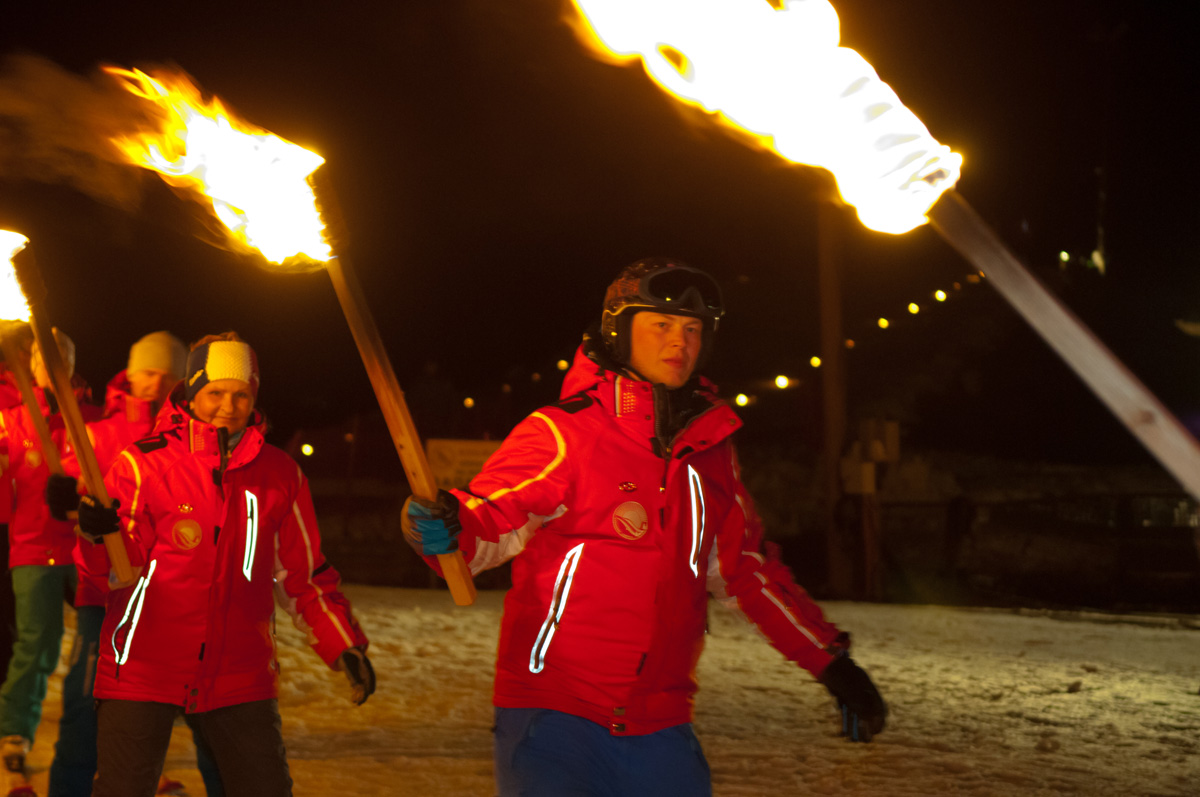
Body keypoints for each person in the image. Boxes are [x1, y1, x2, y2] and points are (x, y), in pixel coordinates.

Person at [404, 257, 887, 796]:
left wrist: (829, 662)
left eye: (692, 329)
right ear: (618, 330)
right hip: (554, 716)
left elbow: (748, 573)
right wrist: (446, 528)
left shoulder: (711, 451)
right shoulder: (564, 433)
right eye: (660, 324)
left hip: (661, 722)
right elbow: (487, 524)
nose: (678, 341)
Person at [75, 332, 375, 797]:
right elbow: (113, 573)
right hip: (143, 665)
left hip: (240, 673)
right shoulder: (142, 465)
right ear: (192, 394)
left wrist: (344, 645)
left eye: (241, 394)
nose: (228, 405)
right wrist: (98, 533)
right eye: (215, 392)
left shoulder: (280, 474)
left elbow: (304, 577)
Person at [44, 331, 221, 796]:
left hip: (171, 600)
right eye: (148, 371)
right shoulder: (96, 435)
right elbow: (74, 506)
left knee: (204, 712)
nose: (155, 383)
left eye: (167, 375)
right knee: (87, 701)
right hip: (102, 597)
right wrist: (66, 501)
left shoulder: (194, 444)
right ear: (130, 371)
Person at [0, 330, 101, 784]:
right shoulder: (12, 420)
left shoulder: (91, 419)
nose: (56, 367)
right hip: (33, 546)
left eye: (66, 358)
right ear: (35, 365)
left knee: (102, 646)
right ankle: (14, 733)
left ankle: (110, 733)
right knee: (37, 644)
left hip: (85, 548)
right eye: (48, 359)